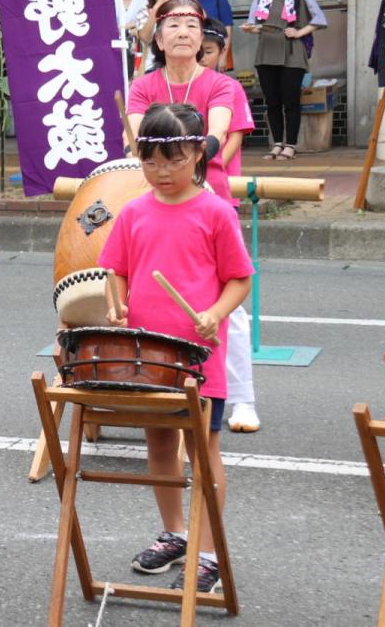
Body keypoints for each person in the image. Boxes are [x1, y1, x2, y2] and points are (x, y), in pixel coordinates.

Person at [99, 103, 253, 594]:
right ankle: (175, 533)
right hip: (147, 355)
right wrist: (116, 304)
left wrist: (215, 313)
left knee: (203, 453)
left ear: (198, 155)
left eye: (175, 159)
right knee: (159, 443)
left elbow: (239, 279)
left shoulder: (214, 211)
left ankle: (209, 553)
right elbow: (116, 270)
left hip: (197, 357)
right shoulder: (133, 212)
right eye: (151, 160)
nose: (161, 171)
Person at [200, 19, 259, 433]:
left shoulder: (226, 87)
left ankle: (241, 398)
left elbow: (231, 138)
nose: (201, 54)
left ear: (221, 52)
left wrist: (201, 165)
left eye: (208, 49)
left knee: (230, 305)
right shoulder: (154, 84)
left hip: (216, 196)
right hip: (169, 199)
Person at [126, 0, 233, 200]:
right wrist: (133, 154)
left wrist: (185, 163)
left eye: (191, 26)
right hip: (153, 188)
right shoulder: (142, 85)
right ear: (159, 40)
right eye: (174, 25)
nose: (183, 33)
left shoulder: (220, 84)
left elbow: (219, 132)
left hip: (207, 185)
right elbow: (131, 134)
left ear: (201, 39)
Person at [241, 0, 328, 161]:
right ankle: (277, 144)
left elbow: (320, 19)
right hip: (266, 53)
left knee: (291, 102)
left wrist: (299, 32)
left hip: (292, 53)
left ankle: (291, 145)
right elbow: (253, 23)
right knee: (272, 102)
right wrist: (249, 29)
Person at [135, 0, 189, 73]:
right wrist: (157, 7)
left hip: (183, 64)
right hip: (154, 67)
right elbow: (145, 38)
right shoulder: (145, 12)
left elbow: (203, 16)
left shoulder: (182, 7)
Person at [115, 0, 148, 78]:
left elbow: (146, 25)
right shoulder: (112, 4)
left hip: (138, 47)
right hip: (118, 50)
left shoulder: (143, 2)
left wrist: (135, 26)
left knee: (137, 78)